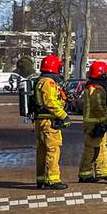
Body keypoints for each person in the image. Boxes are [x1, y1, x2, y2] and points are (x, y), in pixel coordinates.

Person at [33, 54, 70, 190]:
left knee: (42, 151)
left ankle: (41, 179)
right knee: (52, 150)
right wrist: (63, 115)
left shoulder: (41, 80)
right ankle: (53, 179)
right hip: (49, 121)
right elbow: (50, 102)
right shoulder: (48, 82)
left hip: (42, 121)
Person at [78, 60, 107, 183]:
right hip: (94, 124)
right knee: (91, 149)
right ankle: (85, 173)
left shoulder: (93, 87)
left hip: (97, 123)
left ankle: (102, 171)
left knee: (101, 147)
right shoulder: (96, 89)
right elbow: (98, 107)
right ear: (102, 74)